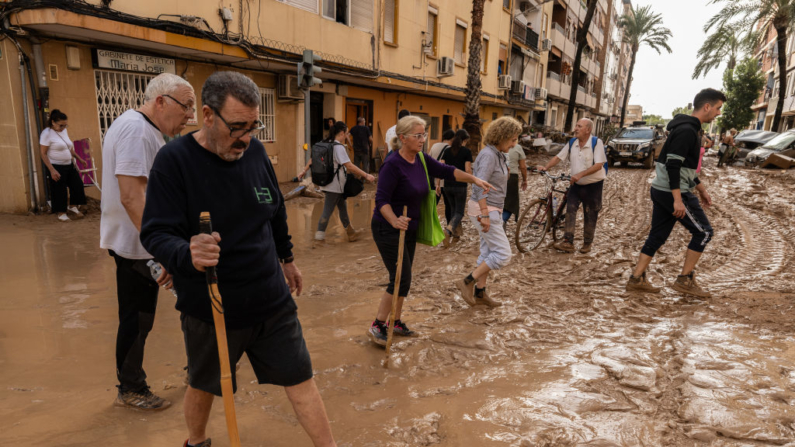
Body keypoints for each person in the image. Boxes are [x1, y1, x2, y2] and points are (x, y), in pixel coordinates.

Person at [140, 71, 337, 447]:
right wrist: (187, 252)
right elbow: (155, 232)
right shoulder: (174, 161)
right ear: (208, 116)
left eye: (253, 125)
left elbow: (275, 209)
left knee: (301, 379)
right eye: (237, 127)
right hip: (211, 304)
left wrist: (287, 258)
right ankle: (196, 441)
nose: (246, 137)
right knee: (204, 385)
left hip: (270, 299)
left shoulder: (256, 151)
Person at [99, 72, 195, 410]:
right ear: (160, 101)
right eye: (186, 107)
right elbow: (131, 197)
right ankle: (132, 389)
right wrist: (162, 251)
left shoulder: (140, 127)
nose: (189, 116)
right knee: (138, 318)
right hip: (139, 246)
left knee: (155, 312)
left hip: (142, 243)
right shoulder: (138, 131)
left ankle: (196, 370)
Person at [368, 116, 493, 345]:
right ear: (403, 138)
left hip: (410, 227)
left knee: (404, 279)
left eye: (424, 134)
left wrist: (474, 179)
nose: (422, 139)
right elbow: (381, 200)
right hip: (389, 228)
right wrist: (394, 220)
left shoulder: (422, 160)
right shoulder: (392, 164)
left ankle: (395, 322)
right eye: (418, 135)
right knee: (399, 278)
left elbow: (448, 171)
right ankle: (378, 324)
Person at [626, 88, 724, 298]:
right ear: (707, 106)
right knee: (704, 232)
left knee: (657, 235)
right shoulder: (688, 131)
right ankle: (684, 280)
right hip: (672, 192)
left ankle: (636, 279)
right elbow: (673, 166)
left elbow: (685, 168)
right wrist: (678, 200)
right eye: (717, 108)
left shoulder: (687, 128)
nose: (718, 113)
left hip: (662, 190)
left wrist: (702, 188)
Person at [456, 117, 523, 309]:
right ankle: (467, 281)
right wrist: (484, 214)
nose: (514, 144)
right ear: (502, 136)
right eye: (512, 139)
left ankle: (480, 293)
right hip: (484, 209)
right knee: (503, 254)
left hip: (493, 208)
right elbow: (478, 187)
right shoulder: (488, 155)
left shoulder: (499, 154)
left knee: (488, 252)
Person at [537, 118, 607, 254]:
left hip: (593, 185)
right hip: (576, 184)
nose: (575, 128)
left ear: (588, 130)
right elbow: (558, 157)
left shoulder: (596, 143)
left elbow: (599, 165)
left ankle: (587, 243)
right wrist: (546, 167)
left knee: (590, 213)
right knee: (570, 211)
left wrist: (580, 174)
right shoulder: (572, 142)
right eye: (576, 125)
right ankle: (568, 242)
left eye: (579, 126)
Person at [314, 121, 375, 246]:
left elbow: (312, 160)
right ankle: (319, 239)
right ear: (342, 133)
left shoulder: (326, 144)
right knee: (327, 210)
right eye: (346, 134)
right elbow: (349, 165)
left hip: (329, 183)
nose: (347, 136)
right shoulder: (338, 147)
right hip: (335, 185)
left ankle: (351, 233)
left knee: (343, 207)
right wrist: (366, 175)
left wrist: (303, 171)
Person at [39, 109, 87, 221]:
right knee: (60, 190)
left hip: (69, 164)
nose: (63, 128)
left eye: (65, 125)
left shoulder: (64, 131)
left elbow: (69, 147)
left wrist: (79, 159)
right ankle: (61, 213)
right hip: (56, 166)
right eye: (61, 125)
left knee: (77, 185)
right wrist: (52, 170)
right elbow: (43, 153)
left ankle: (73, 207)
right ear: (53, 122)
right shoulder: (46, 134)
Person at [439, 129, 473, 246]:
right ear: (464, 140)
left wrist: (438, 184)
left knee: (453, 210)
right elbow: (468, 169)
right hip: (460, 185)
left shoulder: (447, 151)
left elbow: (441, 167)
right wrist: (473, 182)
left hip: (447, 185)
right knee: (459, 212)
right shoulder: (466, 152)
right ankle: (448, 231)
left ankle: (456, 236)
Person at [432, 129, 456, 223]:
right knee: (448, 205)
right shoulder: (450, 149)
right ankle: (449, 226)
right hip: (445, 182)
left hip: (434, 180)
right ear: (452, 138)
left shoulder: (434, 146)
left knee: (433, 204)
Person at [503, 140, 528, 223]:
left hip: (497, 177)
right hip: (512, 178)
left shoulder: (497, 145)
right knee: (510, 203)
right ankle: (502, 221)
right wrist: (524, 180)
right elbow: (523, 167)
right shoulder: (517, 147)